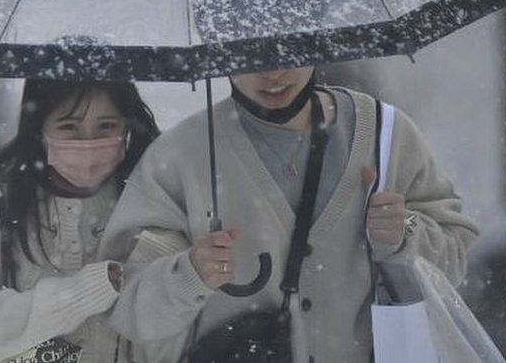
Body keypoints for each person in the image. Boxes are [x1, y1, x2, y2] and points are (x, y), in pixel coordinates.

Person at [99, 66, 480, 363]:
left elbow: (453, 258)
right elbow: (127, 309)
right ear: (223, 53)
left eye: (289, 51)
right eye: (253, 55)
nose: (274, 73)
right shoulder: (178, 158)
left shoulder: (385, 133)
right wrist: (189, 276)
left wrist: (405, 232)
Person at [0, 79, 160, 363]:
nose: (87, 144)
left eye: (106, 127)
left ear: (126, 126)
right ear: (39, 127)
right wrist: (81, 294)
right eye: (68, 127)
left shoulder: (152, 195)